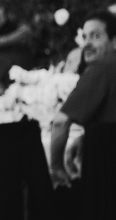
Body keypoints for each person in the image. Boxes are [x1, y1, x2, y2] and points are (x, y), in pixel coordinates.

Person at [50, 10, 116, 188]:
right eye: (85, 37)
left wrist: (56, 168)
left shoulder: (100, 68)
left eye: (96, 36)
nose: (87, 44)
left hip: (105, 180)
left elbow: (60, 122)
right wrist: (87, 139)